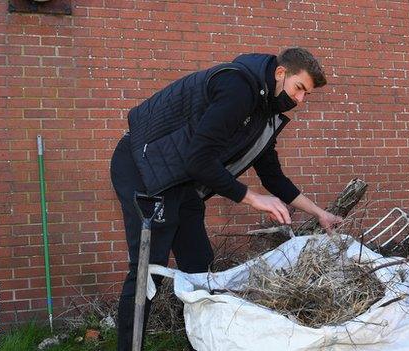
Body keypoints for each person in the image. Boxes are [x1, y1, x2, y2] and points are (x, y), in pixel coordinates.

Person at [110, 47, 343, 351]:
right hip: (144, 167)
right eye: (299, 89)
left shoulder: (264, 113)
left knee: (199, 268)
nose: (299, 100)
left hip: (182, 180)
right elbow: (199, 159)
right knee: (147, 269)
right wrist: (252, 199)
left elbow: (273, 177)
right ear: (281, 73)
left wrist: (320, 213)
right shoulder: (237, 87)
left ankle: (206, 343)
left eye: (306, 95)